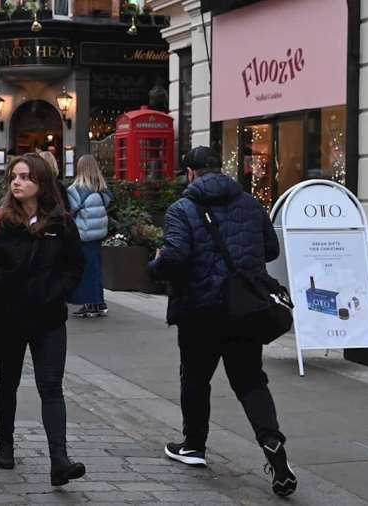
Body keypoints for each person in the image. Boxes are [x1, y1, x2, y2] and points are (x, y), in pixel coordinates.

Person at [147, 146, 296, 497]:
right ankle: (272, 443)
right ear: (219, 169)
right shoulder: (249, 203)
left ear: (191, 173)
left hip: (200, 311)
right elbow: (270, 249)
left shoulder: (181, 209)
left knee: (195, 379)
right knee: (250, 381)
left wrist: (153, 266)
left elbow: (175, 257)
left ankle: (193, 447)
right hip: (244, 309)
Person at [0, 154, 87, 487]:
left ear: (42, 184)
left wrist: (55, 292)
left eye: (26, 177)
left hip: (48, 320)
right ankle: (6, 443)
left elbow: (76, 265)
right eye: (14, 177)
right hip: (7, 317)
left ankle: (59, 460)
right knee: (8, 382)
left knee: (51, 387)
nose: (17, 182)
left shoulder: (61, 223)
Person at [67, 155, 112, 317]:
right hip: (98, 234)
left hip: (83, 235)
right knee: (96, 268)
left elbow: (70, 211)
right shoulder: (102, 187)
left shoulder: (76, 189)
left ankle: (90, 304)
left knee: (85, 270)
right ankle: (99, 302)